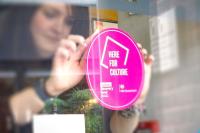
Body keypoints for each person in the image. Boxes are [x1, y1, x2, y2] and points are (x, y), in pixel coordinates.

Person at [0, 3, 153, 133]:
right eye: (50, 14)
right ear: (26, 15)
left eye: (68, 21)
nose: (59, 27)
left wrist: (134, 100)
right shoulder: (6, 72)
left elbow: (117, 129)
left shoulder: (83, 70)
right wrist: (49, 88)